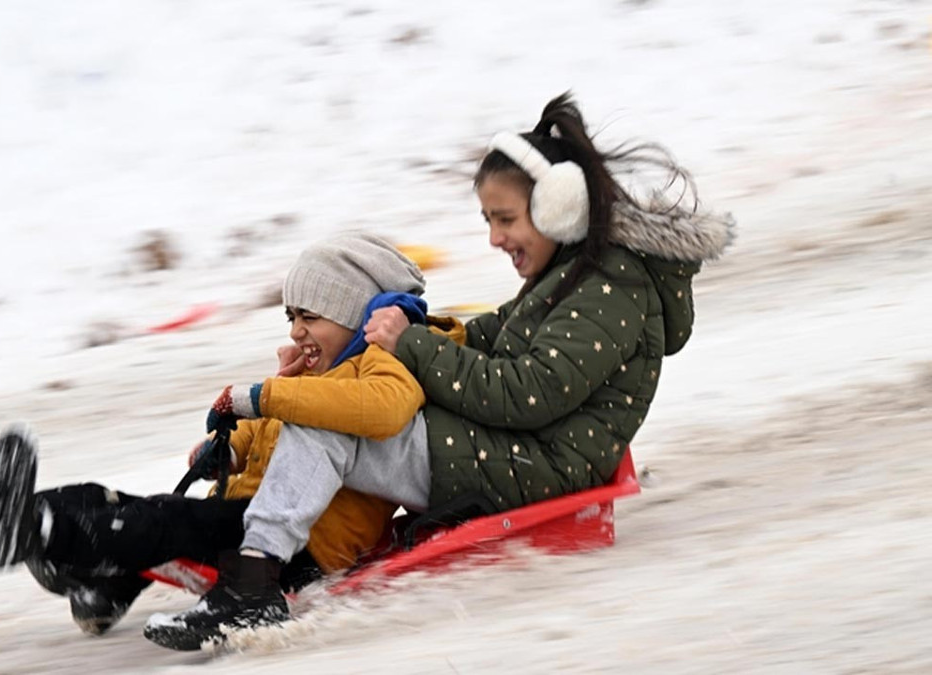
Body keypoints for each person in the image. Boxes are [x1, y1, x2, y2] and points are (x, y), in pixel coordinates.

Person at [144, 92, 736, 651]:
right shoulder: (578, 277)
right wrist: (421, 332)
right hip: (521, 449)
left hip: (541, 464)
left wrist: (418, 348)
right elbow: (496, 335)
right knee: (346, 407)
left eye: (504, 219)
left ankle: (254, 583)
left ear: (559, 208)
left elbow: (529, 393)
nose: (494, 238)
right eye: (487, 220)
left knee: (328, 421)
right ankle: (263, 552)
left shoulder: (609, 289)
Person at [0, 232, 456, 636]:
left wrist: (270, 394)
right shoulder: (315, 380)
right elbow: (277, 455)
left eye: (307, 316)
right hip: (248, 515)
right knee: (101, 500)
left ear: (353, 311)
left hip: (299, 547)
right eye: (289, 319)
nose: (294, 333)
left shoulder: (378, 367)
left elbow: (371, 417)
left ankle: (46, 540)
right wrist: (235, 441)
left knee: (139, 521)